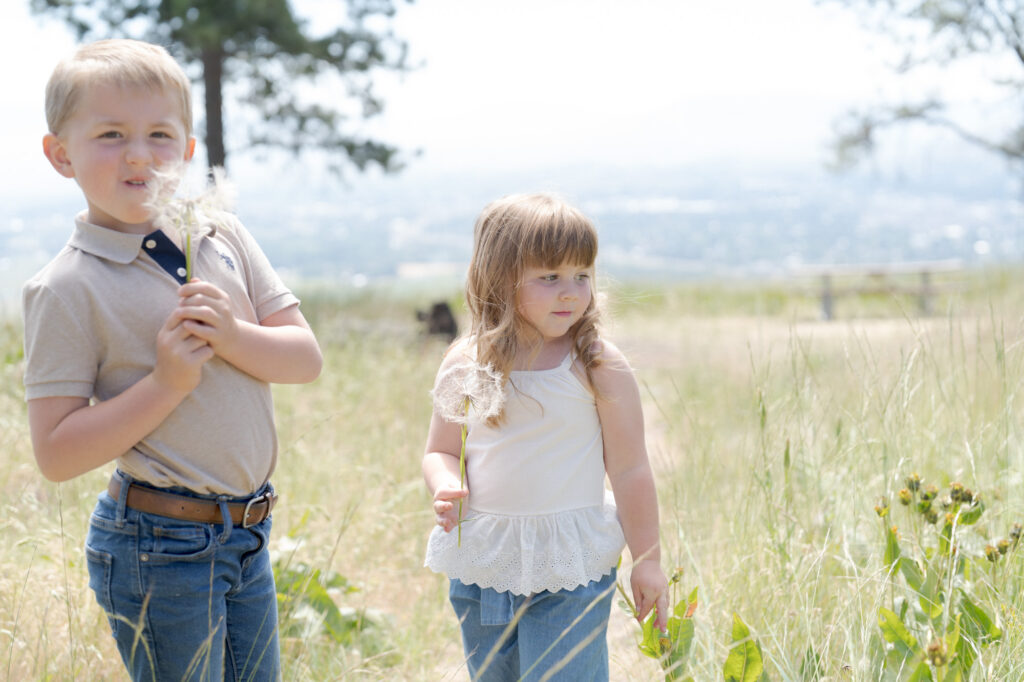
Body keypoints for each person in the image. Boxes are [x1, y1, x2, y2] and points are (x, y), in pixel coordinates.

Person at [22, 39, 322, 681]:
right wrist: (166, 383)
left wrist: (234, 336)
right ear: (59, 155)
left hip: (248, 532)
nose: (138, 153)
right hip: (159, 545)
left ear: (188, 150)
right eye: (109, 134)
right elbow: (56, 453)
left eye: (160, 134)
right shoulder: (66, 287)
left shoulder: (223, 235)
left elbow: (304, 359)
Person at [422, 193, 669, 681]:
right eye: (550, 276)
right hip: (486, 562)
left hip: (569, 566)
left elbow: (630, 468)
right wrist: (445, 485)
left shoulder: (597, 364)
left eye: (582, 275)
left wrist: (648, 562)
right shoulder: (466, 362)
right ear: (500, 277)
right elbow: (441, 450)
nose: (571, 292)